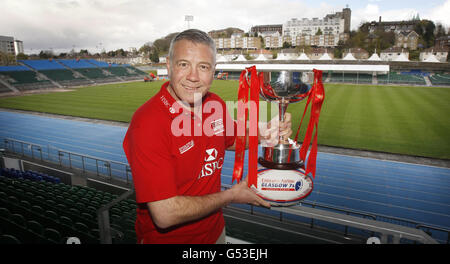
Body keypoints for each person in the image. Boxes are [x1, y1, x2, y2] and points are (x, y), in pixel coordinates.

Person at [123, 29, 292, 244]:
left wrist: (268, 130)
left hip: (214, 234)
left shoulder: (214, 104)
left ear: (213, 71)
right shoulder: (147, 123)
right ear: (168, 65)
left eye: (203, 67)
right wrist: (231, 196)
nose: (193, 77)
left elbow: (232, 138)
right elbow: (165, 215)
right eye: (183, 64)